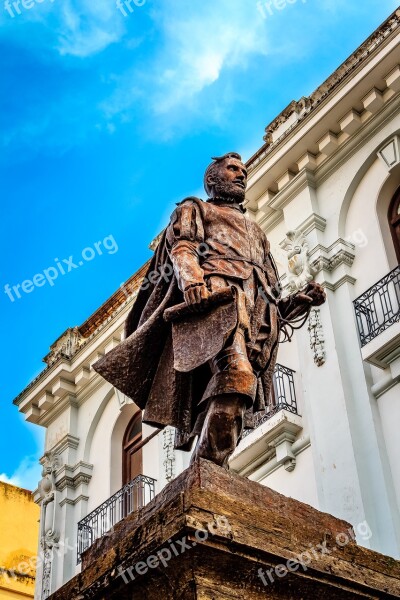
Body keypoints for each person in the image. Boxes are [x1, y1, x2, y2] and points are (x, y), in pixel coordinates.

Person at [94, 152, 325, 469]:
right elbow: (183, 247)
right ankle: (206, 470)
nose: (241, 174)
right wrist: (192, 283)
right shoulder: (195, 208)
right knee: (236, 374)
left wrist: (298, 302)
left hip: (253, 313)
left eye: (243, 170)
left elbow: (270, 293)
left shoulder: (257, 233)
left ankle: (210, 470)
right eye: (232, 169)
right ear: (212, 179)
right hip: (216, 304)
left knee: (236, 396)